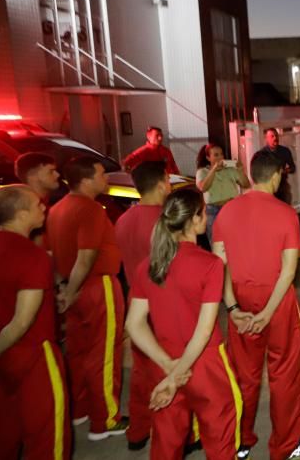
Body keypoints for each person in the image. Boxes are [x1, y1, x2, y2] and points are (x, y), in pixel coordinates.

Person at [126, 187, 241, 459]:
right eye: (203, 212)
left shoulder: (148, 266)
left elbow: (134, 324)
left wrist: (170, 370)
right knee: (221, 435)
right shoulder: (211, 264)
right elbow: (203, 331)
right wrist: (178, 373)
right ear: (196, 219)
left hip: (164, 360)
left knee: (166, 441)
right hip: (205, 364)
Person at [212, 151, 300, 460]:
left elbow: (219, 265)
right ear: (277, 176)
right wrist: (268, 312)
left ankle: (242, 440)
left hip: (240, 297)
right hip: (277, 300)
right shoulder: (285, 213)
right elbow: (289, 270)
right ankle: (283, 447)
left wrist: (232, 308)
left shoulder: (226, 212)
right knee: (285, 374)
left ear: (252, 174)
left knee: (244, 374)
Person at [47, 157, 128, 441]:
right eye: (101, 174)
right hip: (96, 287)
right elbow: (86, 255)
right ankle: (105, 420)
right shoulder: (91, 209)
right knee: (104, 354)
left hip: (73, 288)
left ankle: (80, 409)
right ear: (85, 180)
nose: (106, 178)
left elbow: (55, 255)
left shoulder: (57, 209)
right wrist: (71, 290)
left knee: (79, 353)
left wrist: (63, 289)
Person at [0, 185, 72, 460]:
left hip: (4, 361)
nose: (44, 207)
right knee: (47, 434)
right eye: (36, 205)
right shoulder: (31, 254)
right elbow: (21, 322)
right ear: (19, 215)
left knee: (6, 431)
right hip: (33, 354)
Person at [114, 161, 171, 449]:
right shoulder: (166, 221)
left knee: (141, 371)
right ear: (161, 184)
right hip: (165, 305)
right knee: (171, 370)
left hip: (136, 302)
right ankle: (176, 435)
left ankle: (138, 431)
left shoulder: (123, 220)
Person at [195, 142, 250, 244]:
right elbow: (203, 187)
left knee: (236, 241)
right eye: (216, 155)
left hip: (232, 208)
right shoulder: (202, 171)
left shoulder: (230, 170)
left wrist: (241, 171)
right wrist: (214, 169)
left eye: (221, 154)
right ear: (208, 157)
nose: (220, 157)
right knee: (216, 243)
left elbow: (246, 184)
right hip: (213, 210)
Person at [13, 152, 60, 244]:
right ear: (33, 176)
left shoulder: (43, 204)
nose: (57, 174)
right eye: (51, 171)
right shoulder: (27, 208)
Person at [259, 128, 297, 204]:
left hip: (282, 186)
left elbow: (293, 168)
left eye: (276, 136)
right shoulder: (262, 154)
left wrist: (284, 171)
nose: (275, 138)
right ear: (267, 139)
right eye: (272, 136)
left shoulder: (285, 151)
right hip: (268, 188)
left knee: (285, 208)